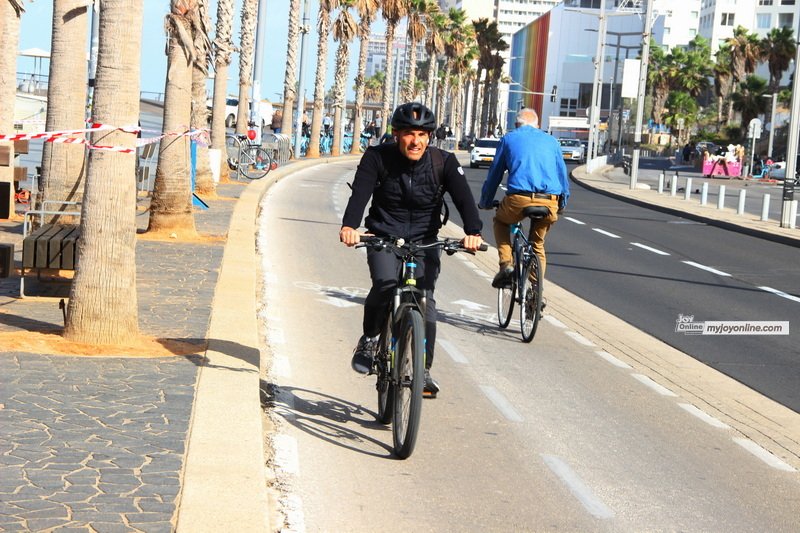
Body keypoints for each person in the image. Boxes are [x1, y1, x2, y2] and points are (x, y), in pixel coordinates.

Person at [339, 102, 484, 397]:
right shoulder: (377, 158)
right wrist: (349, 226)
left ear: (430, 137)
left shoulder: (444, 162)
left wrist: (473, 232)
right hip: (383, 235)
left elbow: (464, 200)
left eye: (421, 134)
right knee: (384, 285)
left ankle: (423, 371)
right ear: (396, 135)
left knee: (425, 303)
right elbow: (361, 193)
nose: (415, 141)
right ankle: (369, 339)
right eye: (408, 133)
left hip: (424, 240)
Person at [478, 107, 569, 289]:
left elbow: (495, 174)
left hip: (519, 199)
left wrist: (486, 201)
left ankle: (506, 265)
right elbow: (562, 176)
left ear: (516, 125)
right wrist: (562, 203)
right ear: (538, 125)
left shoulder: (509, 139)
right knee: (537, 244)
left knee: (501, 222)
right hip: (549, 200)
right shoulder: (552, 142)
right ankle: (537, 291)